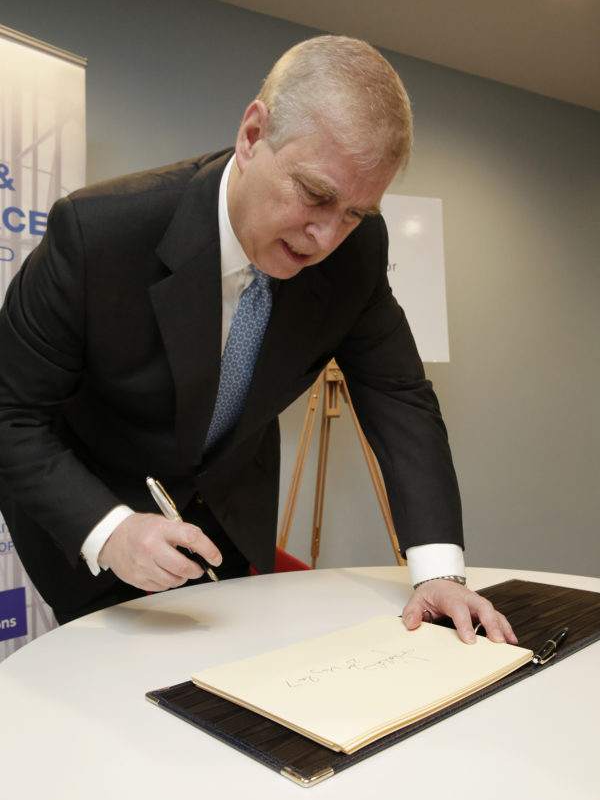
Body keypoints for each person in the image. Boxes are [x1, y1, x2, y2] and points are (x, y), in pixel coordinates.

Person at [0, 35, 515, 643]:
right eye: (316, 195)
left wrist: (438, 573)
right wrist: (110, 530)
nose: (326, 238)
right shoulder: (99, 234)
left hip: (232, 514)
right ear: (252, 135)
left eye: (355, 213)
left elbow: (400, 397)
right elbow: (11, 412)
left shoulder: (356, 254)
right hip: (100, 512)